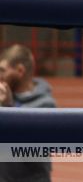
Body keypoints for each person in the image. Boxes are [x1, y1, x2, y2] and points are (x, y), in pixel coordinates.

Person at [0, 44, 56, 182]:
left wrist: (8, 108)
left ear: (20, 70)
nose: (0, 76)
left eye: (3, 70)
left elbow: (32, 153)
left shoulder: (45, 105)